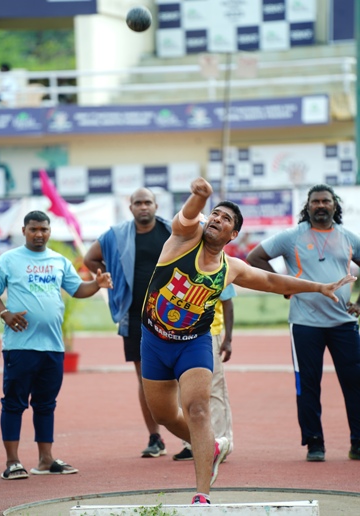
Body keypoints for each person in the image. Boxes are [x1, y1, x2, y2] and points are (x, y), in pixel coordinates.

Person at [139, 177, 356, 506]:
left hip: (193, 343)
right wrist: (199, 196)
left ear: (233, 235)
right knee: (165, 416)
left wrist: (319, 287)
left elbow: (270, 280)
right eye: (214, 214)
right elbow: (187, 214)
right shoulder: (182, 239)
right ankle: (211, 446)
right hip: (153, 341)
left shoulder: (232, 268)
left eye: (226, 219)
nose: (217, 219)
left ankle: (202, 495)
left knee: (197, 409)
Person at [0, 210, 112, 480]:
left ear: (49, 231)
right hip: (20, 346)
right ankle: (12, 461)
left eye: (44, 229)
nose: (39, 234)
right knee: (14, 403)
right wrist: (4, 314)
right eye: (33, 229)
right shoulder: (8, 260)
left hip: (53, 347)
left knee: (46, 404)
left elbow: (78, 290)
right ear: (24, 231)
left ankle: (45, 460)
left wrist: (97, 284)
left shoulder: (59, 261)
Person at [247, 184, 360, 463]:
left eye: (326, 201)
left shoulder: (347, 237)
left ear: (335, 205)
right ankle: (314, 443)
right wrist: (282, 287)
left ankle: (358, 442)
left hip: (344, 323)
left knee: (355, 383)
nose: (321, 205)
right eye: (315, 201)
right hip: (305, 323)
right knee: (308, 384)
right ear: (307, 207)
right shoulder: (292, 236)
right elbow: (254, 258)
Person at [84, 188, 172, 457]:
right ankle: (154, 437)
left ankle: (189, 436)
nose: (143, 207)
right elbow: (90, 258)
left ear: (156, 206)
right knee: (145, 379)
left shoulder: (171, 232)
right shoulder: (116, 235)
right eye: (138, 203)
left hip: (171, 315)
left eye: (148, 202)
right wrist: (112, 278)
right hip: (134, 316)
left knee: (178, 378)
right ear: (130, 207)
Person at [173, 283, 236, 461]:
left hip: (210, 333)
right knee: (183, 390)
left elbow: (227, 301)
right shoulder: (176, 262)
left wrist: (228, 339)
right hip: (180, 334)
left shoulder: (217, 265)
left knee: (214, 389)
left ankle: (222, 442)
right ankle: (191, 443)